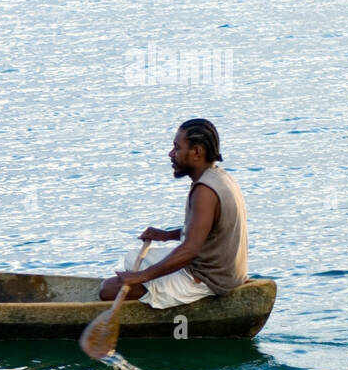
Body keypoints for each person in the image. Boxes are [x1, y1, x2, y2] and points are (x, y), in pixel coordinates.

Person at [98, 118, 248, 308]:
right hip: (225, 273)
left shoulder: (204, 191)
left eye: (177, 148)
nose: (171, 154)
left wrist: (140, 277)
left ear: (196, 152)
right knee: (132, 257)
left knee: (108, 289)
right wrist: (165, 235)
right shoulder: (220, 177)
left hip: (208, 280)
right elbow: (209, 231)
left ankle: (162, 297)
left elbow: (190, 250)